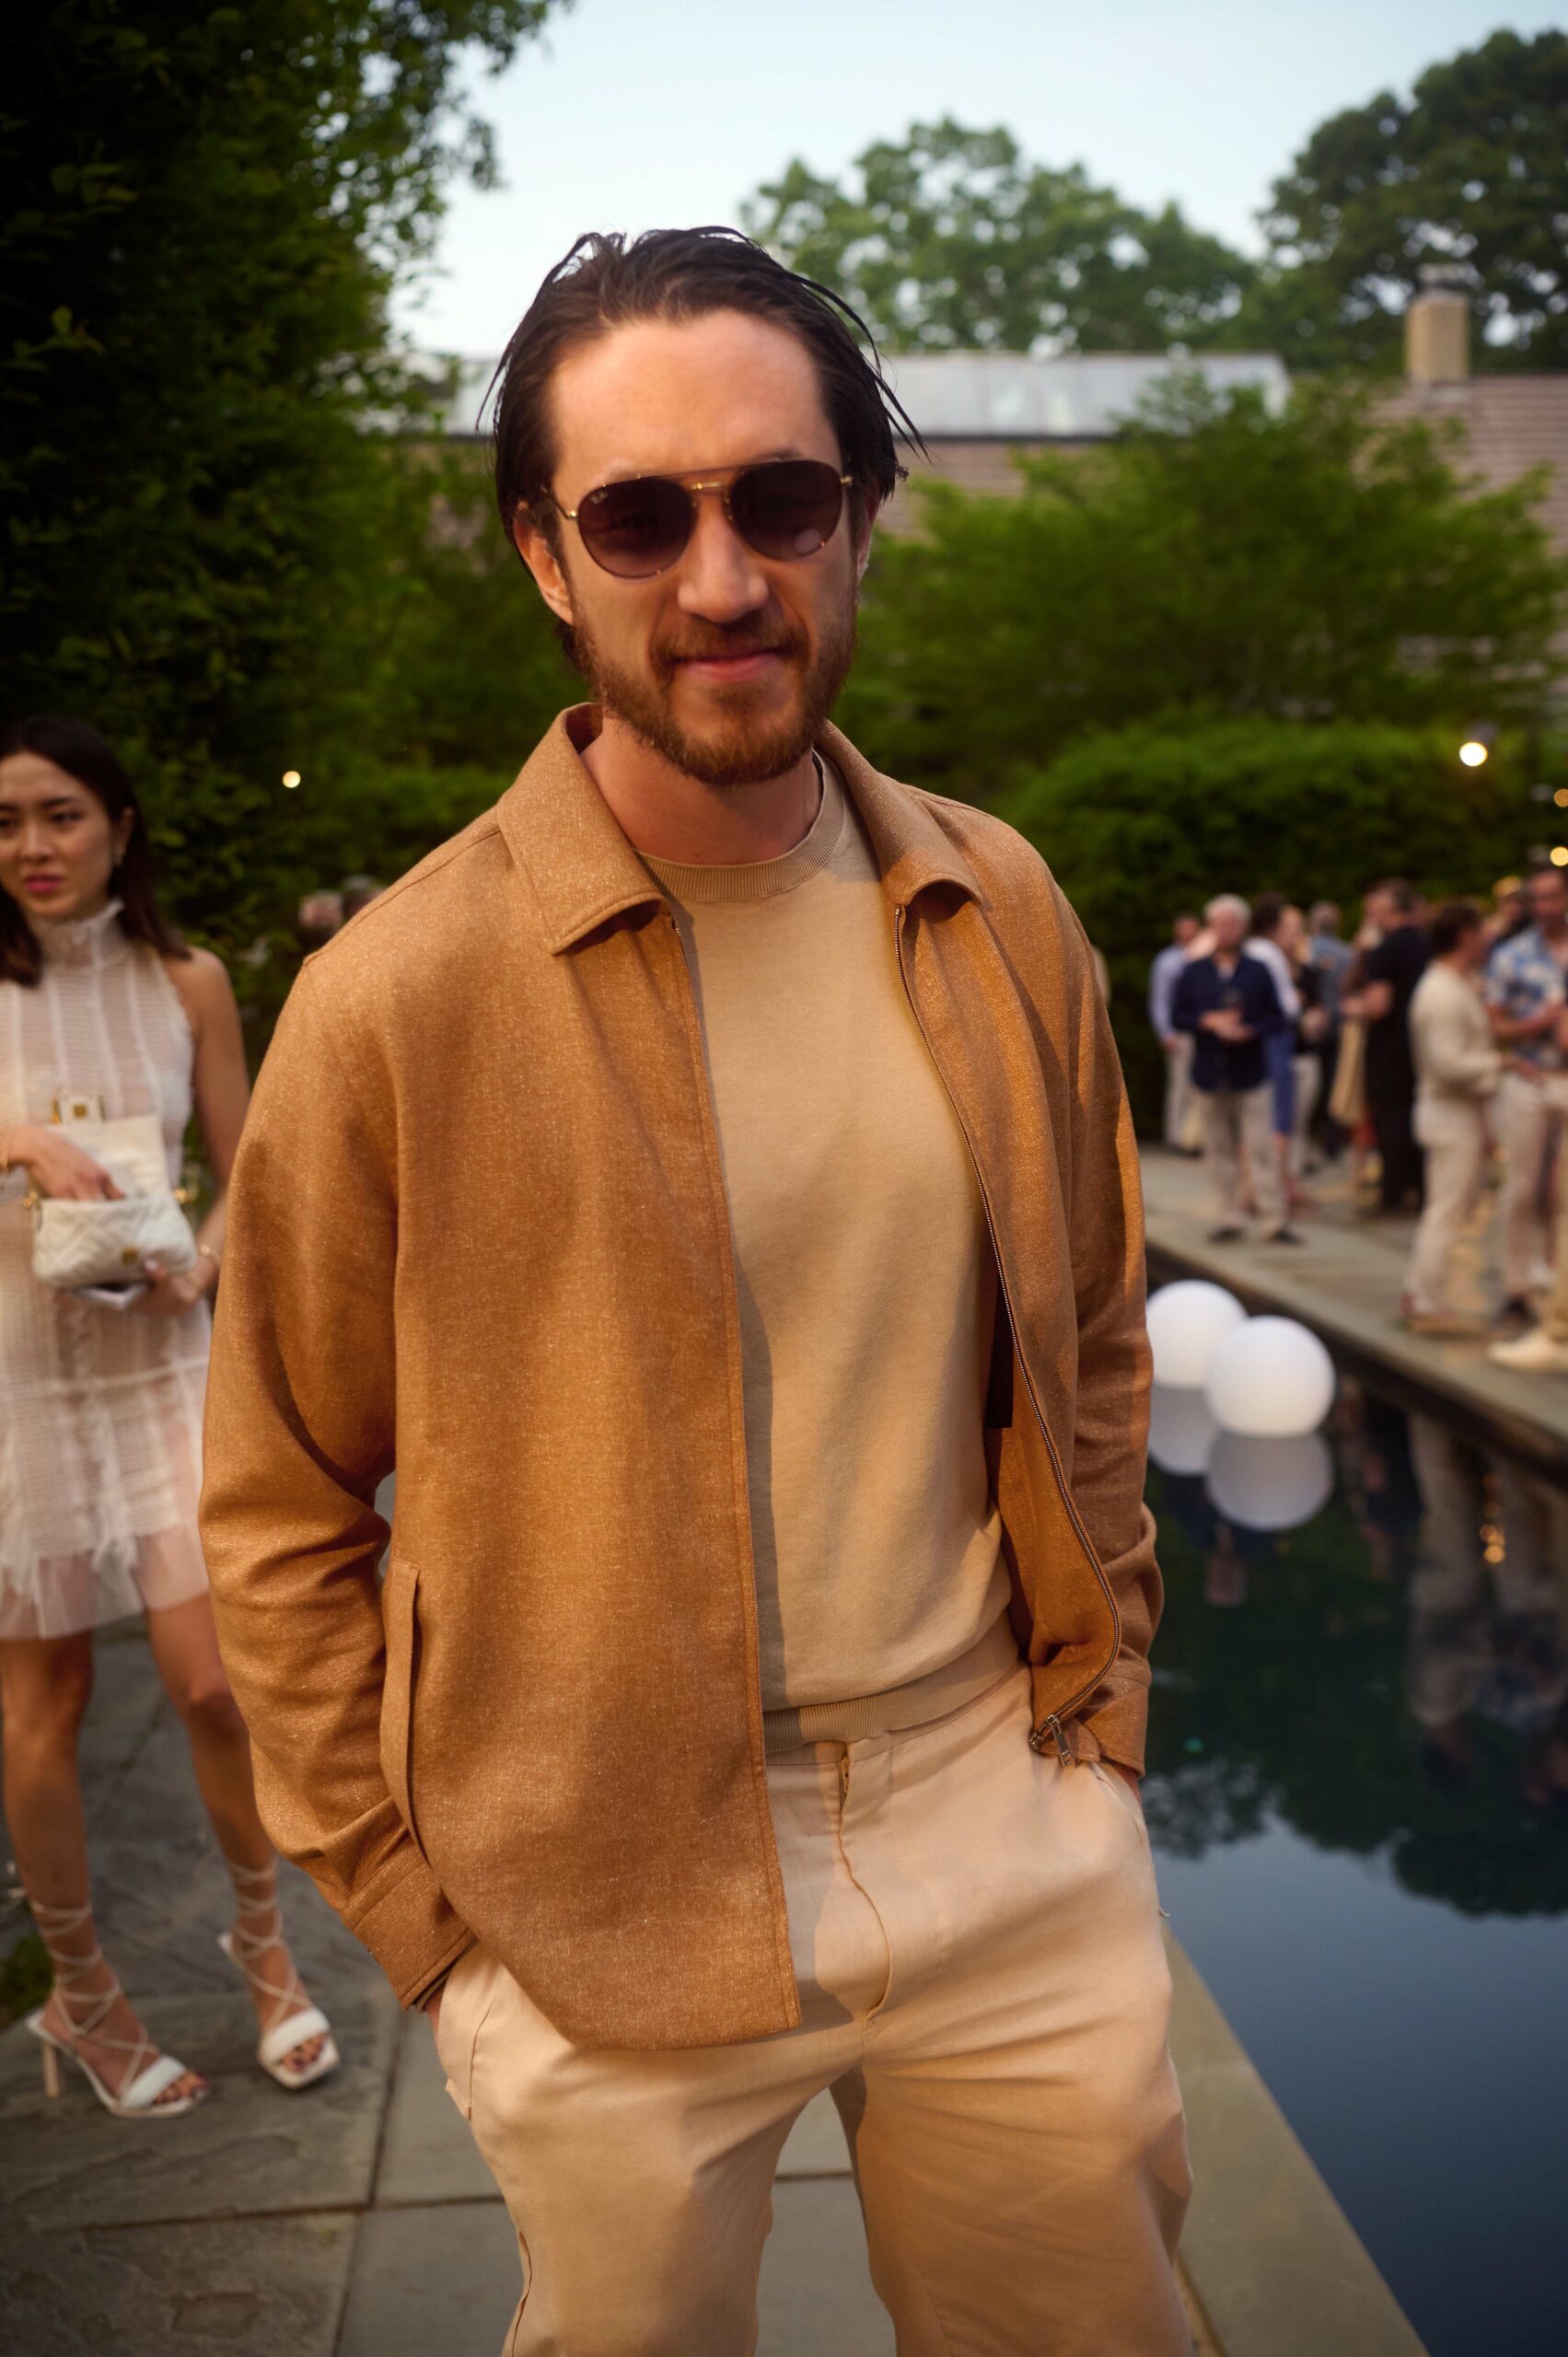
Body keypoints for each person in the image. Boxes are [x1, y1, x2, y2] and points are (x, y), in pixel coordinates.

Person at [198, 228, 1190, 2356]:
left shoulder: (997, 904)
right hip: (594, 1889)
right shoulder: (395, 996)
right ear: (545, 556)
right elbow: (276, 1497)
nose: (721, 576)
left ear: (859, 515)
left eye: (780, 499)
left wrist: (1097, 1725)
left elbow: (1095, 1332)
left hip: (1000, 1822)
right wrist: (426, 1917)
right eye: (639, 515)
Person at [0, 715, 336, 2119]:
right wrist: (20, 1139)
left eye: (61, 814)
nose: (33, 846)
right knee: (46, 1699)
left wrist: (199, 1262)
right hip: (18, 1379)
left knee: (214, 1683)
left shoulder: (186, 982)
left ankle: (265, 1949)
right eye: (6, 822)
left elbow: (249, 1169)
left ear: (120, 828)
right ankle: (81, 1997)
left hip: (159, 1364)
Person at [1169, 892, 1294, 1244]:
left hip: (1250, 1071)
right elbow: (1178, 1016)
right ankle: (1229, 1214)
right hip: (1210, 1071)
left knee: (1260, 1147)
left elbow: (1277, 1017)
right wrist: (1207, 1021)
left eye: (1232, 924)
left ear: (1242, 927)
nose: (1226, 931)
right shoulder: (1195, 971)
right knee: (1219, 1149)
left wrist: (1250, 1029)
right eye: (1220, 924)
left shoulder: (1257, 971)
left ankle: (1273, 1217)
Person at [1401, 902, 1501, 1332]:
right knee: (1446, 1211)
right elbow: (1446, 1063)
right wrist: (1500, 1064)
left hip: (1455, 1112)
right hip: (1449, 1113)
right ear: (1464, 936)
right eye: (1480, 932)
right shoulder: (1440, 991)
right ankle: (1428, 1299)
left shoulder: (1453, 984)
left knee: (1445, 1208)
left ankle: (1418, 1290)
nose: (1486, 940)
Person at [1483, 864, 1568, 1327]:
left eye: (1552, 897)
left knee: (1562, 1192)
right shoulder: (1511, 955)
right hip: (1530, 1078)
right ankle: (1517, 1287)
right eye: (1537, 898)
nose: (1543, 907)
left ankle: (1559, 1282)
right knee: (1520, 1188)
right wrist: (1536, 1024)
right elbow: (1494, 1024)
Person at [1347, 879, 1428, 1215]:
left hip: (1390, 1049)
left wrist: (1355, 1008)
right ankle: (1420, 1189)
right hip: (1421, 1046)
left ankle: (1392, 1193)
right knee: (1415, 1117)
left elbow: (1378, 1004)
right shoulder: (1425, 943)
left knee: (1391, 1120)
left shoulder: (1385, 950)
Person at [1147, 912, 1200, 1150]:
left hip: (1202, 1032)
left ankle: (1195, 1136)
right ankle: (1176, 1136)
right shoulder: (1168, 961)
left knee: (1199, 1087)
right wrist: (1165, 1032)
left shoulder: (1204, 956)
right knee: (1180, 1085)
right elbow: (1160, 1000)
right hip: (1180, 1033)